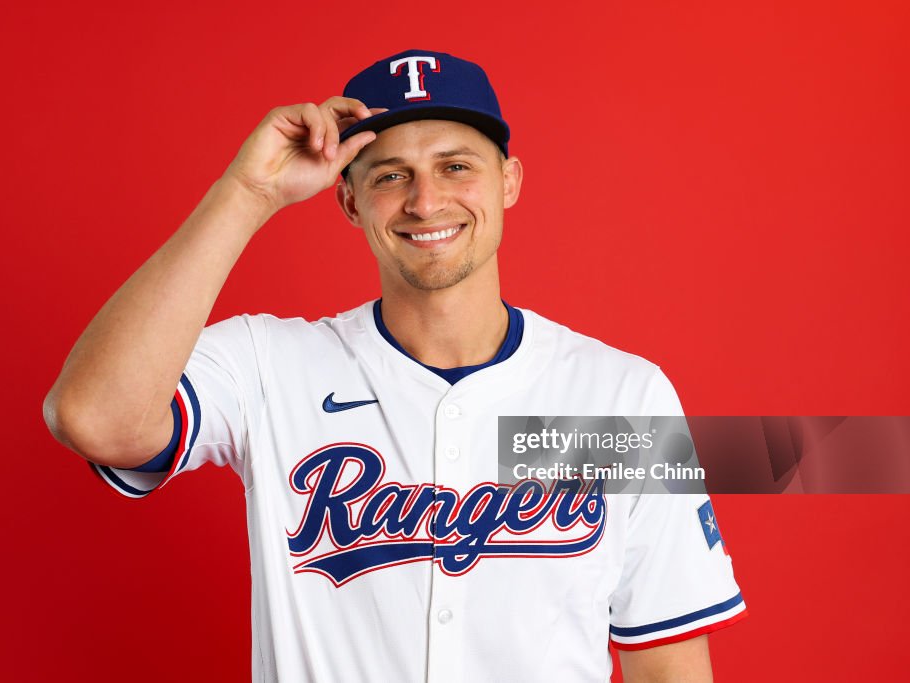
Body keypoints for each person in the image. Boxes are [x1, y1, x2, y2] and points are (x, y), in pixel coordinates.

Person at [44, 49, 746, 682]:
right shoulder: (268, 365)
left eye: (456, 166)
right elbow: (94, 419)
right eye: (391, 175)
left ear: (508, 181)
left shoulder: (620, 395)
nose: (425, 201)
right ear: (349, 199)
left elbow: (669, 666)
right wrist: (247, 194)